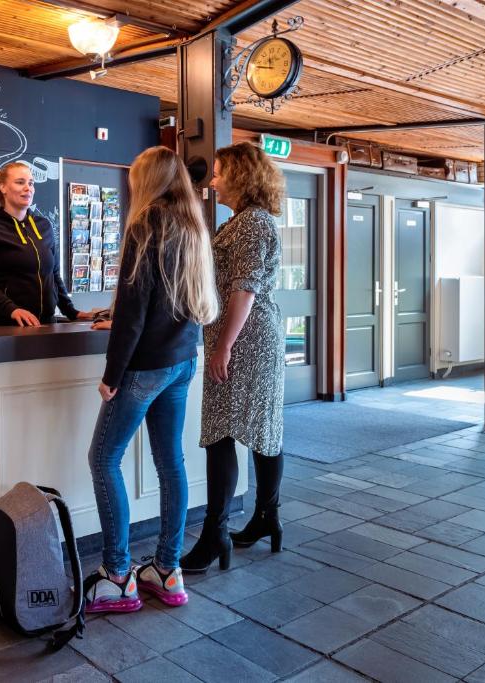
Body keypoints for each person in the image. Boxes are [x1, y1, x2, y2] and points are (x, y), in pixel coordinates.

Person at [83, 146, 219, 613]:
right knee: (171, 464)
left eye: (134, 176)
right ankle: (167, 570)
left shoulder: (145, 225)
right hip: (182, 362)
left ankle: (118, 575)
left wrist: (111, 375)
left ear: (149, 180)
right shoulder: (193, 226)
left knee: (103, 460)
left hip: (144, 367)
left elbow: (134, 314)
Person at [181, 142, 286, 573]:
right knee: (262, 426)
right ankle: (265, 517)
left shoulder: (251, 224)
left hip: (245, 340)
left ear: (242, 176)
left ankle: (215, 533)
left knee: (224, 432)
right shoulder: (246, 221)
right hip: (248, 336)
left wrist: (223, 344)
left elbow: (244, 288)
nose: (214, 180)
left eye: (221, 172)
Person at [0, 162, 93, 327]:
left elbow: (54, 275)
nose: (28, 188)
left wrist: (71, 311)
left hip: (45, 324)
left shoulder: (44, 226)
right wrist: (12, 310)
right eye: (20, 182)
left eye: (31, 183)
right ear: (3, 188)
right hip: (5, 324)